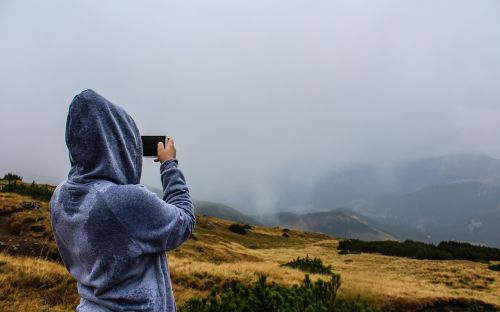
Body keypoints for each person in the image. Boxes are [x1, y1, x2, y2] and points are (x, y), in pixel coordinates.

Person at [50, 89, 195, 311]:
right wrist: (169, 165)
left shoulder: (60, 197)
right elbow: (184, 221)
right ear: (117, 144)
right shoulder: (123, 201)